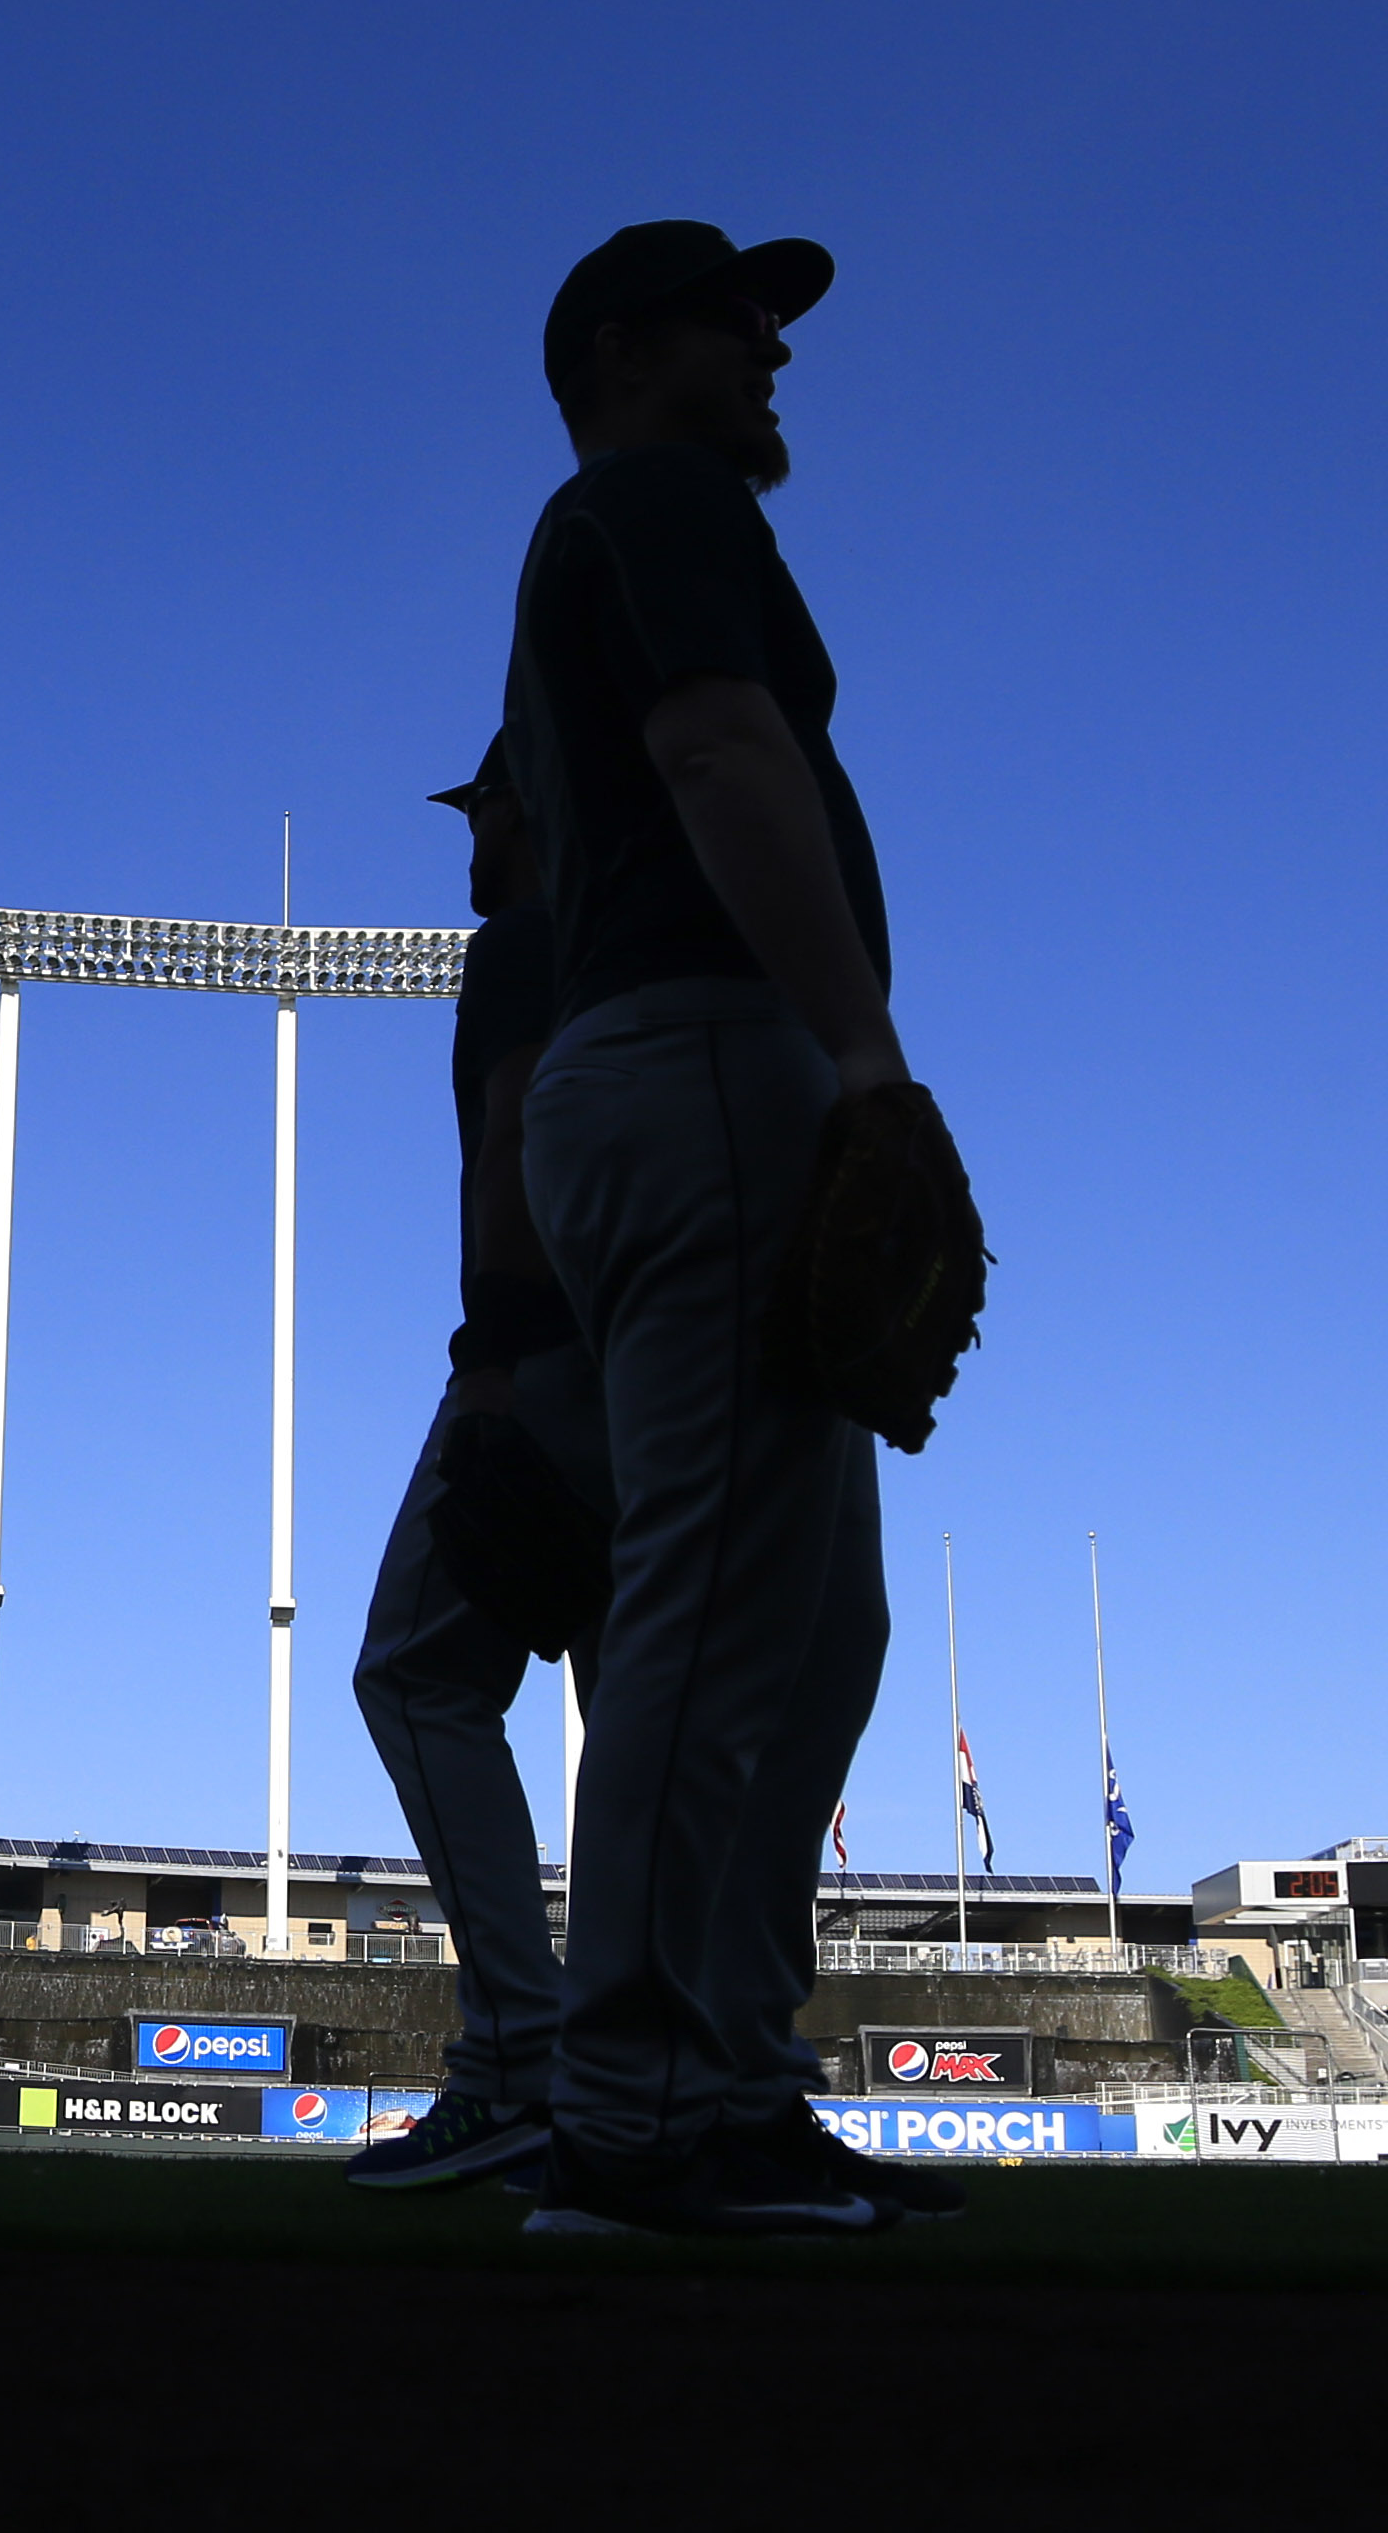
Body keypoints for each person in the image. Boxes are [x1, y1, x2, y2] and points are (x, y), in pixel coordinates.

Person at [503, 222, 959, 2234]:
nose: (773, 349)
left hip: (697, 1055)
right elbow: (712, 742)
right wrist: (861, 1057)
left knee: (818, 1613)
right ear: (622, 348)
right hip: (703, 1049)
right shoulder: (649, 492)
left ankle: (727, 2079)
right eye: (730, 319)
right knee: (706, 1592)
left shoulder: (628, 506)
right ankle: (630, 2110)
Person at [343, 736, 614, 2192]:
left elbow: (516, 1129)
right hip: (674, 1368)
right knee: (636, 1716)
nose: (473, 831)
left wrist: (498, 1353)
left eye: (489, 805)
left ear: (533, 807)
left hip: (546, 1354)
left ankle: (517, 2056)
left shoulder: (524, 936)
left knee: (417, 1672)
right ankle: (655, 2079)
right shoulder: (650, 946)